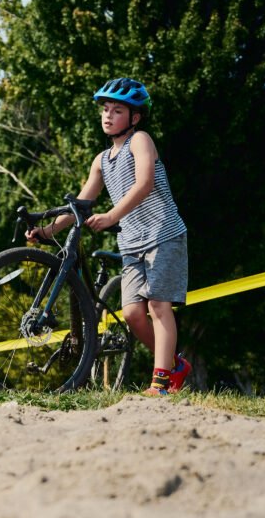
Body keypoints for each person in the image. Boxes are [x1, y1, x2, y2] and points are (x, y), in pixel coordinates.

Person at [27, 78, 190, 396]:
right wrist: (46, 231)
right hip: (131, 243)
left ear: (134, 117)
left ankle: (160, 383)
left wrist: (112, 216)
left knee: (158, 305)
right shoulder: (101, 161)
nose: (108, 116)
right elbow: (81, 204)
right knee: (132, 314)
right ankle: (175, 365)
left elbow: (144, 184)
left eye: (117, 111)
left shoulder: (140, 140)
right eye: (105, 110)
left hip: (163, 235)